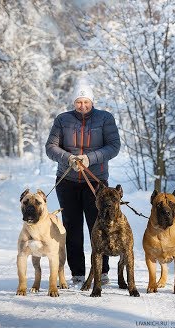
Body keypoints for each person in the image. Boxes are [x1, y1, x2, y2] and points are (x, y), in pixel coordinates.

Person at [45, 79, 121, 285]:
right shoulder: (63, 120)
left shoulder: (105, 118)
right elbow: (51, 147)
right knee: (71, 227)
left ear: (92, 101)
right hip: (67, 180)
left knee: (99, 225)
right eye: (79, 102)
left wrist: (90, 158)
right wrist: (68, 158)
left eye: (86, 101)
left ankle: (102, 271)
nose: (82, 106)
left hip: (96, 183)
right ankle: (77, 272)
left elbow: (114, 146)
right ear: (73, 102)